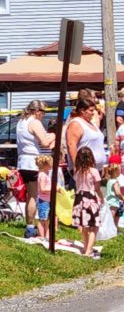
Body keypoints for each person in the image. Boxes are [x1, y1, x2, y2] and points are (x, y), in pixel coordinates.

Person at [16, 100, 55, 234]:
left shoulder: (21, 121)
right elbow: (44, 142)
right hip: (33, 162)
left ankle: (30, 226)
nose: (43, 115)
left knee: (30, 195)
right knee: (34, 195)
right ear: (37, 111)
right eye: (43, 112)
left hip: (23, 161)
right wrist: (53, 136)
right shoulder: (34, 122)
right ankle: (31, 227)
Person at [71, 147, 103, 259]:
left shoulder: (78, 172)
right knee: (94, 226)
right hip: (90, 199)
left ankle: (85, 247)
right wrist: (102, 199)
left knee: (84, 226)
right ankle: (89, 250)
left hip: (79, 199)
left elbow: (76, 186)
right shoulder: (94, 171)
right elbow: (97, 188)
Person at [35, 155, 55, 242]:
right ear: (45, 164)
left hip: (47, 200)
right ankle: (42, 236)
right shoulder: (42, 175)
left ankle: (46, 236)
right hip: (43, 200)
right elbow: (42, 189)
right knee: (42, 219)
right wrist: (53, 189)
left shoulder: (45, 174)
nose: (52, 164)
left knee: (46, 219)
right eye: (50, 163)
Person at [104, 155, 124, 231]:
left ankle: (112, 228)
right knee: (115, 216)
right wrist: (122, 197)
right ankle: (113, 229)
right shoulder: (117, 180)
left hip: (109, 201)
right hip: (116, 201)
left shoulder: (109, 180)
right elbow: (119, 191)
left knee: (110, 215)